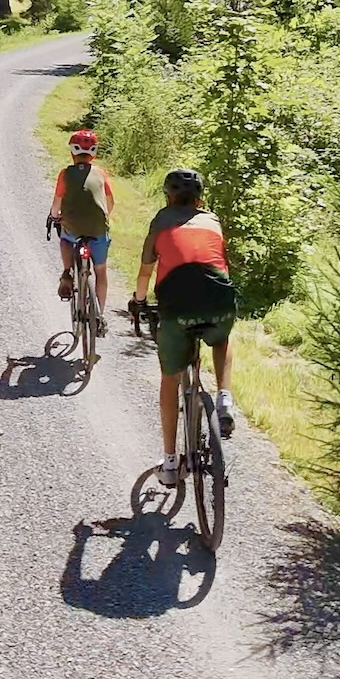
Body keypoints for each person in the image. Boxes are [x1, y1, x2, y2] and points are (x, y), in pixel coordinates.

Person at [131, 168, 237, 488]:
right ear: (200, 198)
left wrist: (138, 301)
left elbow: (145, 273)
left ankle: (171, 460)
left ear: (169, 197)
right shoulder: (214, 221)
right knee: (221, 338)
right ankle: (224, 398)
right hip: (219, 299)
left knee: (170, 378)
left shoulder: (161, 221)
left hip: (176, 308)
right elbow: (220, 262)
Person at [47, 129, 114, 325]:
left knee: (66, 239)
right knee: (100, 270)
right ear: (94, 153)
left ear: (72, 152)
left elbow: (57, 203)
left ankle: (67, 272)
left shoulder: (65, 174)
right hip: (98, 229)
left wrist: (54, 216)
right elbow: (110, 202)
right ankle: (99, 315)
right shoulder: (101, 173)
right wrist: (105, 218)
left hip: (73, 227)